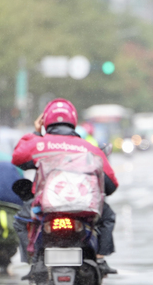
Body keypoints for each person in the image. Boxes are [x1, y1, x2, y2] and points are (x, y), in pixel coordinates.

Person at [11, 99, 119, 275]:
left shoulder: (39, 144)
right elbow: (111, 185)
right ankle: (99, 258)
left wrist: (36, 133)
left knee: (21, 221)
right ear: (73, 120)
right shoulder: (89, 148)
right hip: (84, 208)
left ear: (45, 121)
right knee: (108, 216)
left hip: (46, 207)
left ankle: (32, 261)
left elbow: (17, 158)